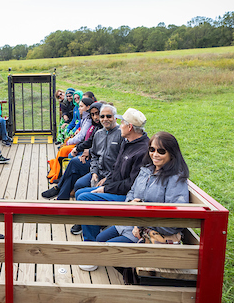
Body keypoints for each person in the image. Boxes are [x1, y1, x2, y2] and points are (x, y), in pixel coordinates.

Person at [79, 131, 189, 272]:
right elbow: (131, 192)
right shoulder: (146, 170)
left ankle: (132, 282)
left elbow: (175, 218)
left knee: (109, 249)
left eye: (161, 151)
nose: (155, 154)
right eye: (152, 149)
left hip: (151, 229)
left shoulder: (175, 179)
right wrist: (131, 203)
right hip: (132, 223)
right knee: (99, 238)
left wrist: (142, 217)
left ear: (171, 153)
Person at [76, 108, 149, 254]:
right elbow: (116, 168)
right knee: (79, 193)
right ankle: (94, 231)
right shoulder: (128, 142)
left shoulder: (142, 150)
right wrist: (106, 180)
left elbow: (131, 185)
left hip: (127, 196)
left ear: (129, 127)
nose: (119, 125)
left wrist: (106, 188)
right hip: (114, 187)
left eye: (121, 122)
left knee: (86, 198)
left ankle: (90, 246)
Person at [68, 104, 123, 234]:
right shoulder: (99, 134)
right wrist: (94, 173)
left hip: (111, 177)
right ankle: (85, 219)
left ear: (115, 117)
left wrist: (107, 179)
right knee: (79, 185)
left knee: (87, 193)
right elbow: (94, 156)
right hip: (98, 172)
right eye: (102, 116)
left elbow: (121, 164)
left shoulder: (121, 135)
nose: (105, 119)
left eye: (108, 116)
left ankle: (95, 221)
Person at [42, 101, 102, 198]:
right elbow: (90, 141)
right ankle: (61, 198)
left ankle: (59, 188)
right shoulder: (97, 127)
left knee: (74, 162)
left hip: (98, 165)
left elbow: (102, 150)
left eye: (98, 114)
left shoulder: (105, 131)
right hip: (93, 159)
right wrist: (79, 149)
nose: (96, 117)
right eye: (93, 114)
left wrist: (88, 151)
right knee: (73, 172)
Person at [45, 97, 94, 183]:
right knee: (63, 148)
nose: (79, 108)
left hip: (81, 145)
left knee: (64, 149)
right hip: (80, 143)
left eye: (81, 106)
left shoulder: (88, 119)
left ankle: (59, 175)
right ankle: (57, 172)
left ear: (88, 107)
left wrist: (69, 142)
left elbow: (82, 136)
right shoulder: (84, 117)